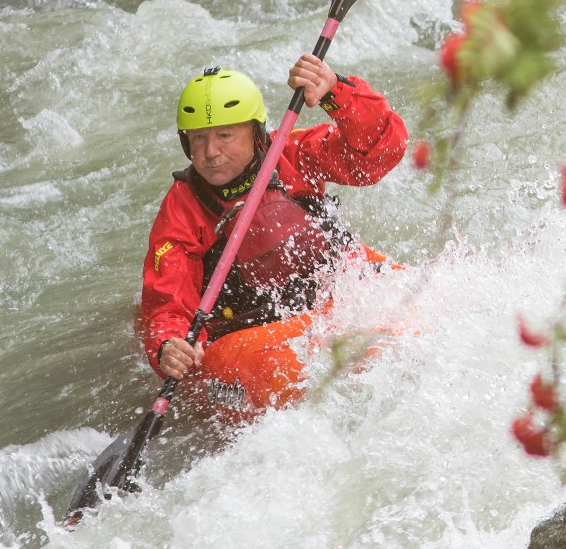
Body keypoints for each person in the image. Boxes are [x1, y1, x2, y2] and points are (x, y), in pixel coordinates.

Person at [137, 55, 408, 412]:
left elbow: (379, 152)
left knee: (410, 303)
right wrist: (169, 345)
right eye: (199, 138)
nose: (211, 152)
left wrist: (335, 90)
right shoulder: (183, 207)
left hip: (334, 291)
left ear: (255, 132)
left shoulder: (293, 153)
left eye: (224, 135)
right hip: (251, 330)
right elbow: (168, 299)